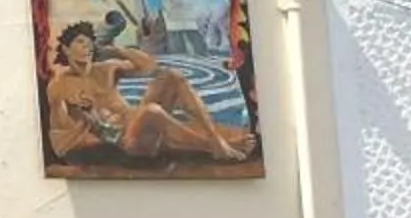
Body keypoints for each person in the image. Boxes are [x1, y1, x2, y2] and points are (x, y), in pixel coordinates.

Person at [43, 21, 255, 166]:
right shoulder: (60, 85)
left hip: (136, 124)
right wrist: (81, 116)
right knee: (151, 112)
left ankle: (216, 139)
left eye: (89, 41)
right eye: (80, 42)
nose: (87, 45)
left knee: (171, 77)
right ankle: (215, 147)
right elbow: (61, 137)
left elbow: (148, 65)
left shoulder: (106, 69)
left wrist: (115, 49)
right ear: (66, 49)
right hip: (123, 143)